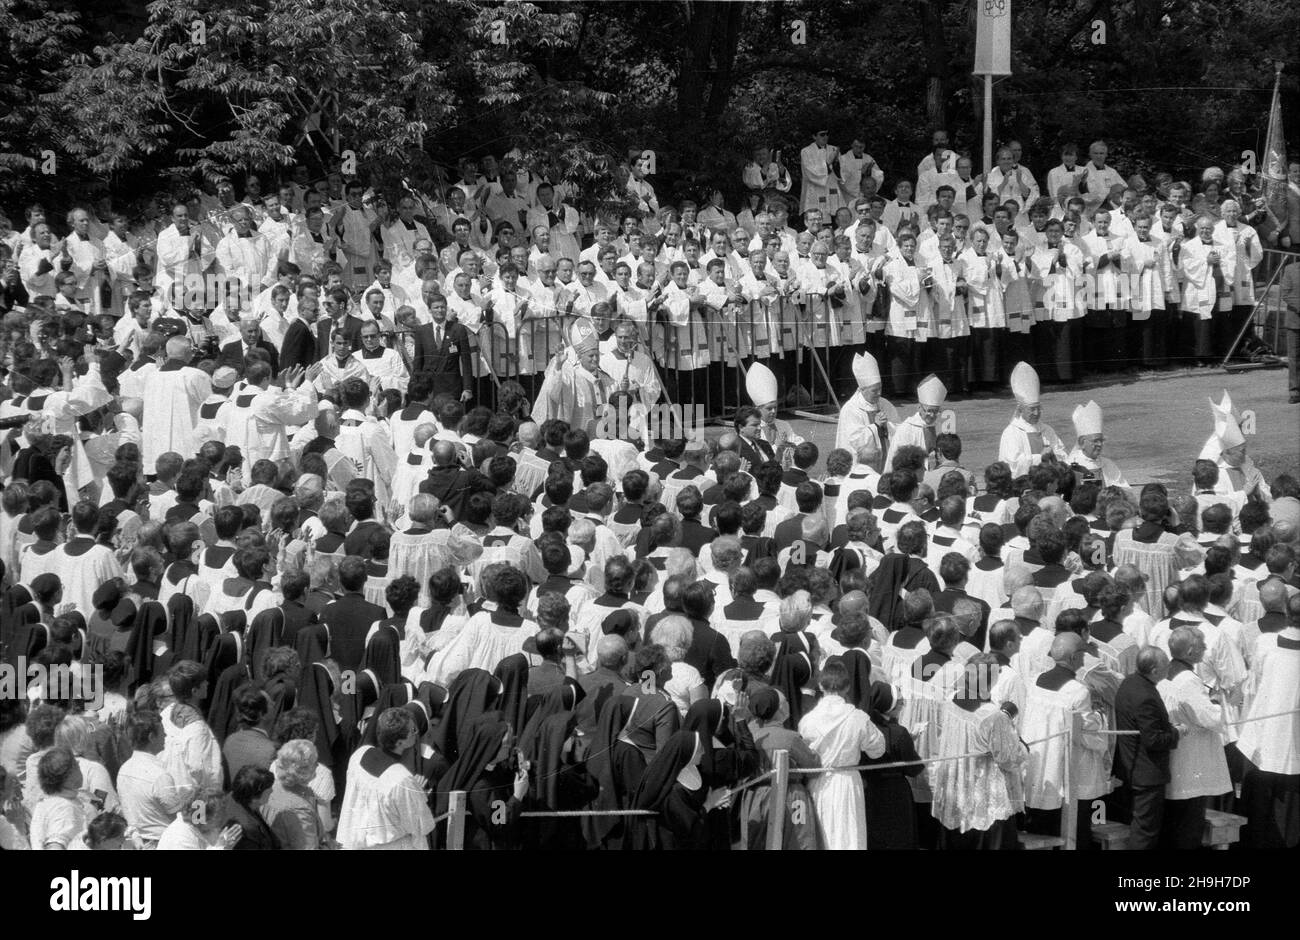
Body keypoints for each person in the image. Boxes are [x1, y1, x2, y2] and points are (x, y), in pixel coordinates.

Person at [932, 653, 1028, 849]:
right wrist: (1022, 747)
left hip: (955, 786)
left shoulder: (950, 700)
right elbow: (1007, 759)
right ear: (992, 678)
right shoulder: (992, 715)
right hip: (983, 795)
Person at [798, 656, 886, 849]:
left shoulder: (808, 720)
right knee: (849, 835)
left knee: (823, 833)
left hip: (819, 781)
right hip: (847, 781)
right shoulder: (858, 718)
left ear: (821, 685)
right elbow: (878, 750)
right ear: (847, 688)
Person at [1158, 625, 1230, 848]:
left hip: (1179, 756)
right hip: (1191, 763)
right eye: (1201, 646)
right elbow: (1210, 718)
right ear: (1190, 652)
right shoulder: (1188, 680)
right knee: (1188, 825)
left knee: (1176, 822)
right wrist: (1217, 702)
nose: (1206, 648)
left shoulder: (1167, 672)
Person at [337, 706, 437, 850]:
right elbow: (422, 825)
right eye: (413, 731)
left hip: (355, 843)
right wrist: (417, 794)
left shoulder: (359, 755)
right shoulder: (402, 779)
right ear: (400, 742)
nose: (416, 733)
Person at [1112, 646, 1178, 849]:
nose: (1169, 669)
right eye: (1166, 665)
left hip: (1132, 766)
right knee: (1145, 831)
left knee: (1141, 826)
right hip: (1146, 773)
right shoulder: (1145, 695)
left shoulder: (1129, 683)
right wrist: (1176, 733)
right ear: (1155, 670)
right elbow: (1153, 740)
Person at [141, 335, 212, 468]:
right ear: (189, 352)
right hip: (187, 442)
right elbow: (212, 404)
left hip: (157, 442)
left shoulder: (152, 376)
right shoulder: (195, 375)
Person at [998, 362, 1068, 478]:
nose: (1036, 413)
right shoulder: (1011, 432)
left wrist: (1053, 456)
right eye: (1032, 409)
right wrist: (1040, 458)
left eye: (1038, 408)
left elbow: (1063, 456)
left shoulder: (1047, 430)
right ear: (1021, 409)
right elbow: (1012, 465)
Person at [834, 352, 898, 471]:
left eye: (880, 388)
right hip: (859, 467)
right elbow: (855, 441)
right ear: (862, 389)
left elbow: (898, 431)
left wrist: (887, 426)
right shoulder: (851, 409)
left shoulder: (885, 404)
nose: (879, 393)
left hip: (885, 465)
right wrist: (875, 426)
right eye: (874, 390)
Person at [1067, 399, 1128, 488]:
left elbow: (1124, 489)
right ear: (1082, 443)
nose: (1100, 444)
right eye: (1095, 441)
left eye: (1101, 440)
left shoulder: (1108, 464)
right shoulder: (1070, 467)